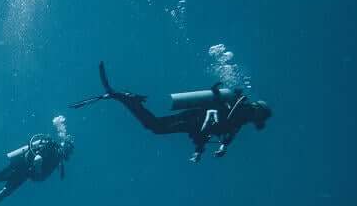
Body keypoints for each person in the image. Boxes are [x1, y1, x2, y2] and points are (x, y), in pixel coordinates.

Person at [71, 62, 272, 162]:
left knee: (153, 126)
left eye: (258, 120)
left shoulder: (240, 118)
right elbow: (216, 116)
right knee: (154, 126)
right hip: (195, 118)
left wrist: (200, 151)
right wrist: (212, 140)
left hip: (194, 122)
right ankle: (125, 97)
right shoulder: (242, 108)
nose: (256, 120)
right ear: (259, 111)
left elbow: (219, 132)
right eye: (259, 117)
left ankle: (125, 98)